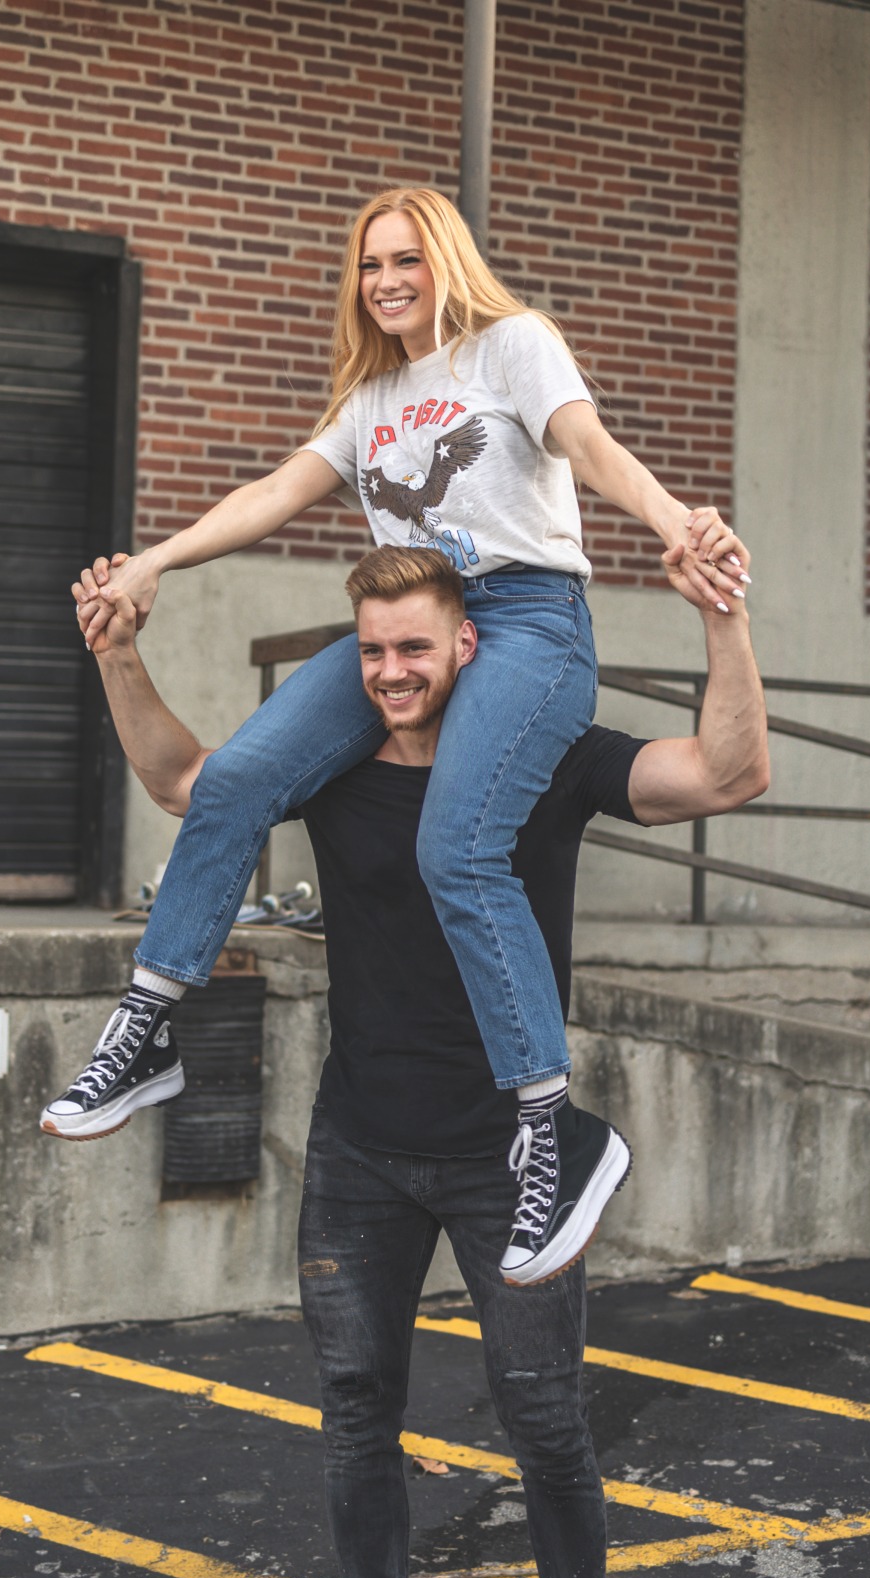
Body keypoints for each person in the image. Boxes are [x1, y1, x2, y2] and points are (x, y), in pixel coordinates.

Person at [72, 542, 769, 1578]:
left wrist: (721, 622)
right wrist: (118, 650)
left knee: (544, 1423)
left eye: (415, 648)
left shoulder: (539, 758)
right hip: (360, 1146)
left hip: (510, 1159)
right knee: (355, 1418)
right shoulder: (331, 763)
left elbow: (726, 774)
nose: (392, 672)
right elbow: (185, 782)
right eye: (371, 651)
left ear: (467, 645)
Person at [43, 185, 752, 1288]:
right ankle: (150, 1028)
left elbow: (587, 444)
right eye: (370, 264)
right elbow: (276, 490)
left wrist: (676, 524)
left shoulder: (512, 346)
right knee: (234, 780)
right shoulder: (372, 395)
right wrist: (154, 563)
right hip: (413, 615)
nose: (385, 281)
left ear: (446, 261)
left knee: (455, 847)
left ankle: (552, 1132)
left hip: (526, 618)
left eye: (406, 259)